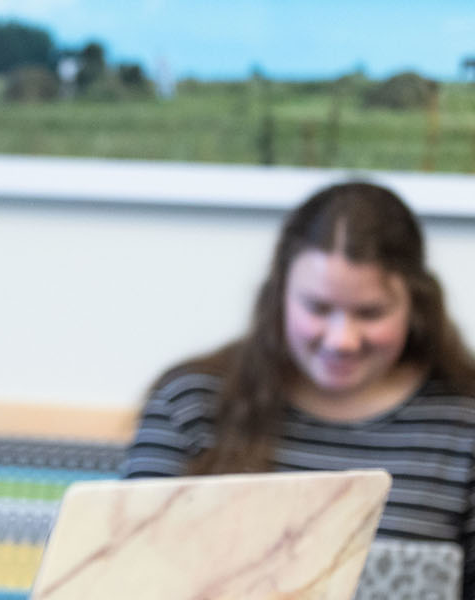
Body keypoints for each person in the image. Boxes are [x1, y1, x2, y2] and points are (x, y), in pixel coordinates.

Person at [121, 181, 475, 595]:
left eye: (370, 312)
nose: (342, 340)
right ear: (280, 295)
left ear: (415, 304)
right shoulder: (190, 403)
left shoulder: (463, 423)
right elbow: (127, 576)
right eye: (318, 308)